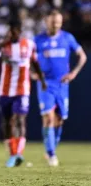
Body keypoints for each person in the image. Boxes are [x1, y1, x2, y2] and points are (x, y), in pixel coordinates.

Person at [0, 20, 46, 168]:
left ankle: (18, 153)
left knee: (20, 120)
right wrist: (0, 46)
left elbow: (35, 63)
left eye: (15, 31)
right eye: (10, 31)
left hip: (22, 90)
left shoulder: (29, 44)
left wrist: (42, 80)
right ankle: (13, 154)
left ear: (20, 32)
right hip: (5, 90)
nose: (12, 34)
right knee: (7, 122)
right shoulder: (2, 44)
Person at [34, 10, 87, 166]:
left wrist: (74, 73)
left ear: (61, 22)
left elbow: (82, 56)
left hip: (62, 85)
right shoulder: (38, 40)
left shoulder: (67, 38)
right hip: (45, 84)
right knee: (48, 118)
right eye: (53, 22)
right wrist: (32, 73)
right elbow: (27, 59)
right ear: (46, 21)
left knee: (59, 120)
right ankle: (51, 154)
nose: (55, 24)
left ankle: (52, 148)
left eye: (58, 22)